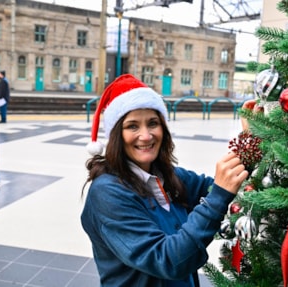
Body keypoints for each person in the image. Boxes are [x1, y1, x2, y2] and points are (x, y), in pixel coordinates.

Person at [80, 74, 248, 287]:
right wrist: (218, 197)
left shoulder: (167, 175)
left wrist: (252, 139)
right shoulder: (107, 193)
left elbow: (223, 185)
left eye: (153, 123)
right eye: (132, 126)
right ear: (115, 136)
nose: (146, 135)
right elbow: (167, 260)